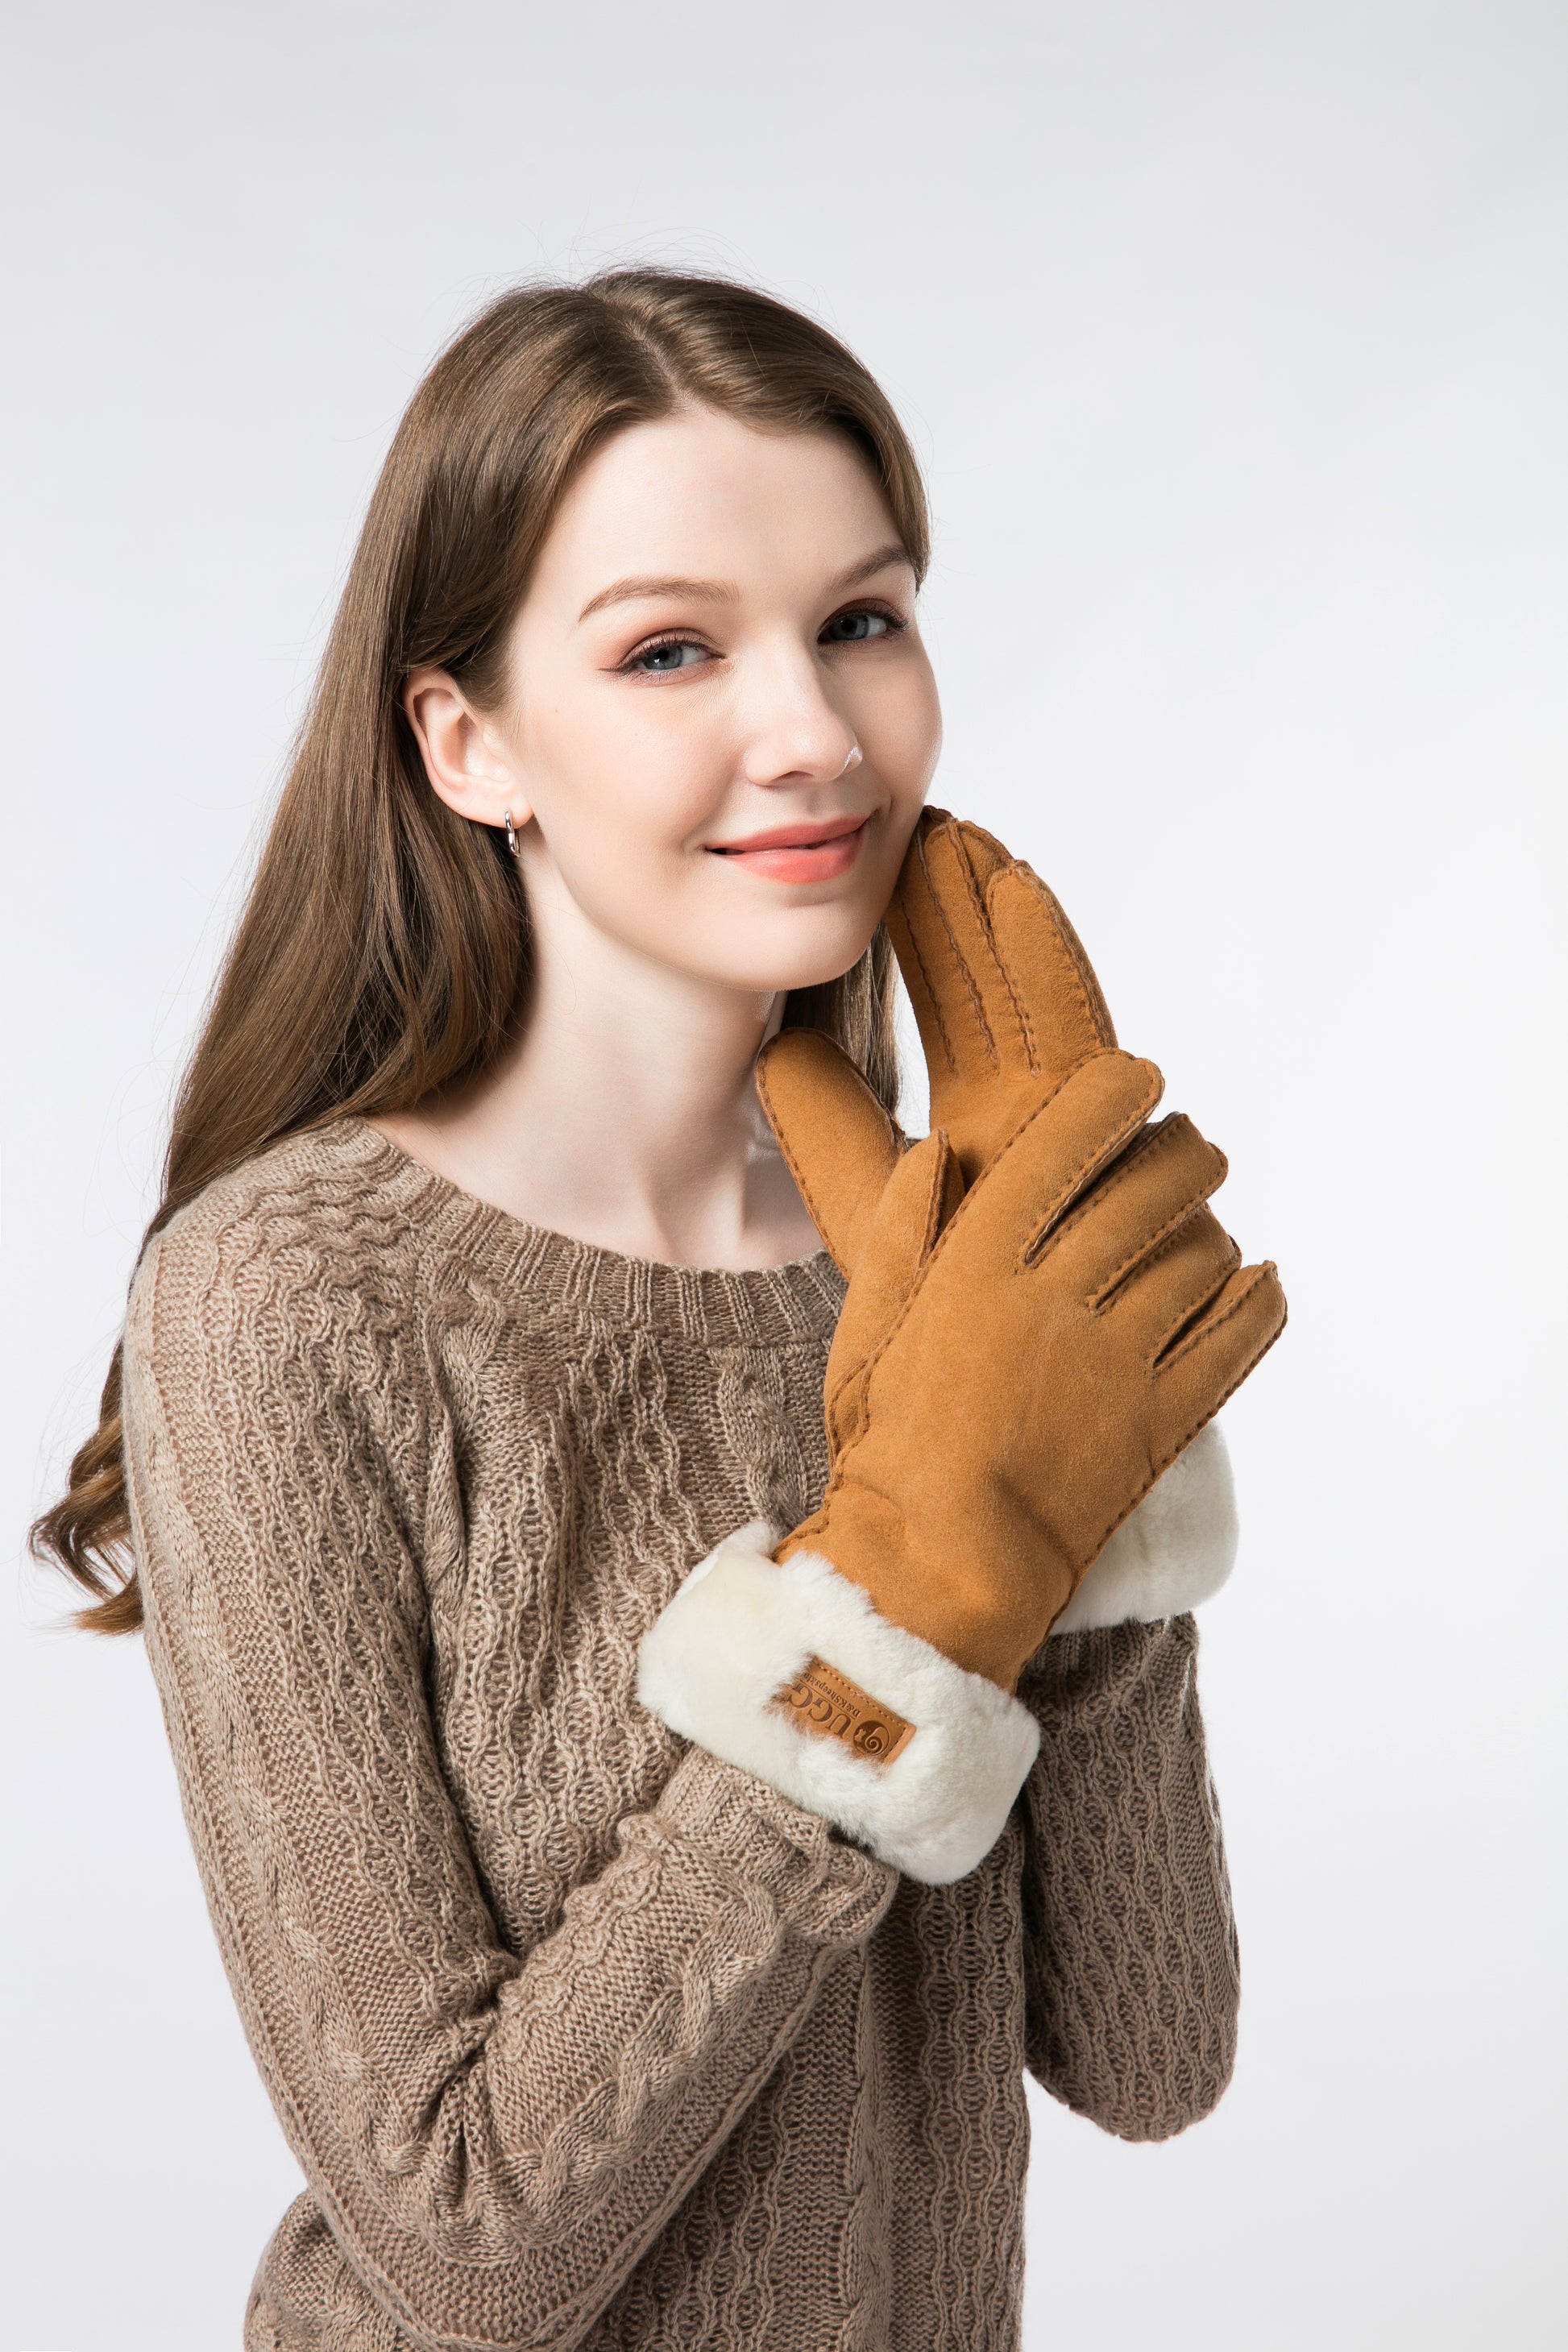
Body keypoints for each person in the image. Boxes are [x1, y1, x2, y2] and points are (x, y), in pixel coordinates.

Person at [32, 268, 1284, 2350]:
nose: (810, 732)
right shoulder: (284, 1305)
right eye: (670, 648)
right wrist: (890, 1602)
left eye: (860, 621)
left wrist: (1100, 1500)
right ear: (471, 741)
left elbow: (1150, 2055)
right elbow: (466, 2235)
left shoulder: (926, 1265)